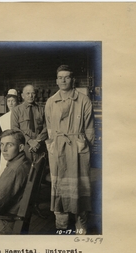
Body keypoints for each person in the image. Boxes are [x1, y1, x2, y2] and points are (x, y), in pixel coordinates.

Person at [45, 65, 95, 234]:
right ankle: (62, 227)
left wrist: (84, 148)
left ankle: (81, 227)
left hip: (79, 150)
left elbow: (90, 130)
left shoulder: (84, 100)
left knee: (80, 187)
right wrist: (52, 145)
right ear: (56, 80)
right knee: (59, 187)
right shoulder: (51, 101)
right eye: (60, 77)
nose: (63, 80)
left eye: (67, 77)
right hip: (58, 149)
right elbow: (50, 129)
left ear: (73, 80)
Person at [11, 84, 48, 161]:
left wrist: (37, 141)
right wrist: (30, 141)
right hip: (24, 146)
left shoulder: (42, 109)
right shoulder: (16, 110)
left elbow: (47, 127)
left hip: (39, 145)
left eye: (33, 93)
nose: (30, 96)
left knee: (39, 170)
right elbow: (15, 128)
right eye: (28, 93)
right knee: (25, 169)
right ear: (22, 95)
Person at [0, 89, 19, 179]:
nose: (10, 103)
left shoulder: (20, 115)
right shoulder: (2, 118)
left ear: (17, 102)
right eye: (8, 101)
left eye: (13, 101)